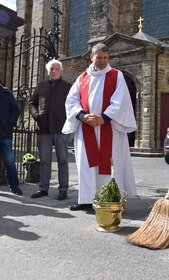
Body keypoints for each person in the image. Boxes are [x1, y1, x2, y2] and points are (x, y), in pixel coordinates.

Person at [62, 43, 137, 211]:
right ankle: (86, 200)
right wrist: (82, 116)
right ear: (92, 57)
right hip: (86, 127)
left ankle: (110, 198)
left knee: (110, 163)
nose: (102, 61)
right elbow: (71, 100)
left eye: (105, 58)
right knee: (86, 163)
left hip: (109, 128)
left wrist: (104, 118)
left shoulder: (116, 75)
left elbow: (121, 101)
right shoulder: (82, 78)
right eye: (99, 57)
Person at [29, 59, 72, 200]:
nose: (53, 71)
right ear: (47, 71)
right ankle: (43, 188)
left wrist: (68, 121)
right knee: (45, 160)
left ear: (61, 71)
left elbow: (73, 105)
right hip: (44, 128)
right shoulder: (41, 86)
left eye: (56, 69)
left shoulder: (68, 87)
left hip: (61, 129)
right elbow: (32, 103)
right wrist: (36, 115)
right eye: (51, 69)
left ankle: (63, 189)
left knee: (63, 160)